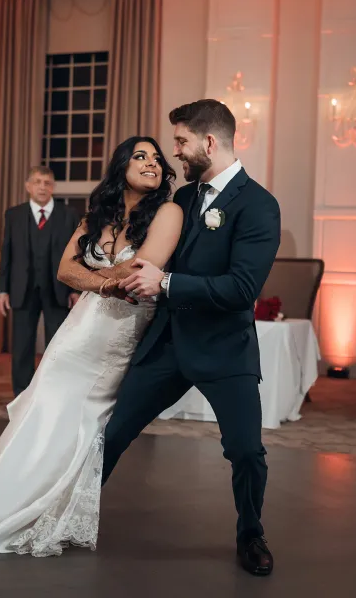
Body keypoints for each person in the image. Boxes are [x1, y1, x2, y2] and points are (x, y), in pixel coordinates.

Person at [0, 136, 181, 557]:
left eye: (157, 158)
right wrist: (107, 282)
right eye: (140, 156)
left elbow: (141, 268)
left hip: (116, 342)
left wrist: (98, 280)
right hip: (75, 336)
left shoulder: (168, 211)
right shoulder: (98, 215)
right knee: (39, 418)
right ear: (121, 165)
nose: (152, 163)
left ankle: (49, 512)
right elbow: (64, 269)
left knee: (83, 428)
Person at [104, 100, 281, 576]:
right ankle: (70, 512)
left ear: (208, 142)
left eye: (180, 142)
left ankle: (251, 534)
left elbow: (242, 289)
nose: (173, 153)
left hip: (224, 349)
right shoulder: (181, 200)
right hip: (168, 342)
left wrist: (164, 283)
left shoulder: (259, 205)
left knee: (246, 450)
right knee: (110, 434)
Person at [0, 166, 81, 396]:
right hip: (22, 289)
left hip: (59, 289)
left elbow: (75, 255)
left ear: (53, 187)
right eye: (37, 182)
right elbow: (7, 253)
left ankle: (54, 393)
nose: (42, 187)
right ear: (28, 186)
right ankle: (22, 394)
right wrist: (2, 290)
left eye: (47, 182)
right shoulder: (13, 215)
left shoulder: (69, 215)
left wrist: (75, 289)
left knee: (57, 345)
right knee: (22, 346)